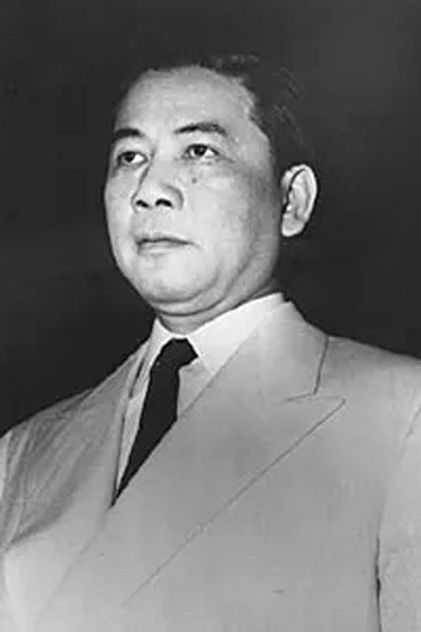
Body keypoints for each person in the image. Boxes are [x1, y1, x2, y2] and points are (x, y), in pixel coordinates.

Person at [1, 53, 421, 632]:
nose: (149, 190)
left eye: (199, 151)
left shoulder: (401, 414)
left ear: (292, 201)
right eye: (130, 157)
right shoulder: (24, 452)